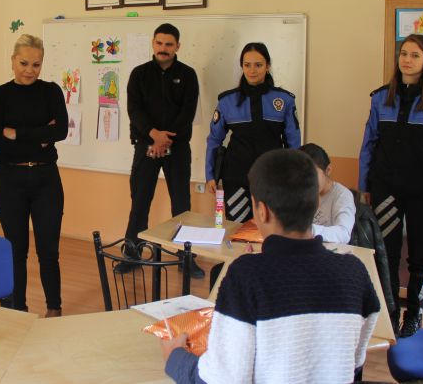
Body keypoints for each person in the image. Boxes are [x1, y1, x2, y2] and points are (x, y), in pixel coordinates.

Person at [161, 149, 380, 384]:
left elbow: (221, 380)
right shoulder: (355, 272)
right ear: (316, 202)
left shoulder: (246, 275)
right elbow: (354, 363)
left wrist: (175, 357)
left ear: (261, 211)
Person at [359, 33, 423, 338]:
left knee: (420, 258)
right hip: (386, 189)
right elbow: (368, 144)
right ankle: (389, 314)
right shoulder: (380, 98)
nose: (407, 60)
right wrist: (365, 185)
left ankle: (413, 316)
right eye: (404, 53)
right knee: (385, 254)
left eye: (415, 55)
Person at [0, 34, 68, 317]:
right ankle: (17, 310)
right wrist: (41, 136)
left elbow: (61, 131)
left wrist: (16, 134)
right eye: (24, 63)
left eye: (36, 64)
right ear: (12, 60)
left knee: (49, 251)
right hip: (10, 181)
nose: (30, 70)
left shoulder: (51, 91)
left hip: (46, 180)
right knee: (15, 251)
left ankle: (54, 309)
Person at [122, 23, 203, 278]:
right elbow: (134, 110)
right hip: (146, 145)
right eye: (159, 43)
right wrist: (154, 135)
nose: (163, 48)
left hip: (177, 148)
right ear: (153, 43)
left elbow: (187, 113)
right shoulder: (139, 74)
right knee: (140, 201)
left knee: (181, 205)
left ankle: (185, 259)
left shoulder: (188, 75)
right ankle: (132, 255)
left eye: (169, 44)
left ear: (177, 46)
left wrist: (164, 140)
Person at [205, 42, 301, 223]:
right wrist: (210, 175)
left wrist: (294, 175)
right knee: (238, 231)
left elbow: (293, 142)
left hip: (273, 179)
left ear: (268, 66)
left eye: (258, 65)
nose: (252, 70)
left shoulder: (284, 100)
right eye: (247, 65)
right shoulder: (227, 101)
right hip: (236, 179)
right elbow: (214, 140)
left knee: (271, 229)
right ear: (242, 66)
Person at [299, 143, 355, 244]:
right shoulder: (299, 192)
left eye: (311, 175)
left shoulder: (342, 195)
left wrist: (306, 230)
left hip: (331, 251)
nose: (306, 181)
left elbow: (343, 234)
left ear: (328, 170)